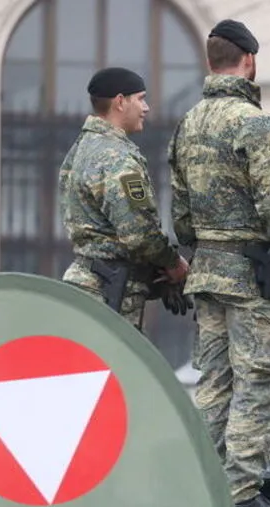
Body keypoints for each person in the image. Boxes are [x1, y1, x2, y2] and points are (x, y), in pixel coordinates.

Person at [168, 19, 270, 507]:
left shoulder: (189, 123)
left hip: (208, 272)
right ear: (249, 61)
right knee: (262, 381)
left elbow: (180, 213)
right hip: (254, 276)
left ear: (212, 61)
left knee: (215, 382)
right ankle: (242, 493)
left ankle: (203, 485)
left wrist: (204, 249)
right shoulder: (256, 124)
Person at [60, 67, 189, 328]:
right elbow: (139, 232)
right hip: (111, 294)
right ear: (120, 102)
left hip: (86, 284)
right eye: (140, 99)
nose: (146, 107)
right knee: (117, 367)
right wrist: (172, 263)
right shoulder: (117, 158)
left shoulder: (81, 149)